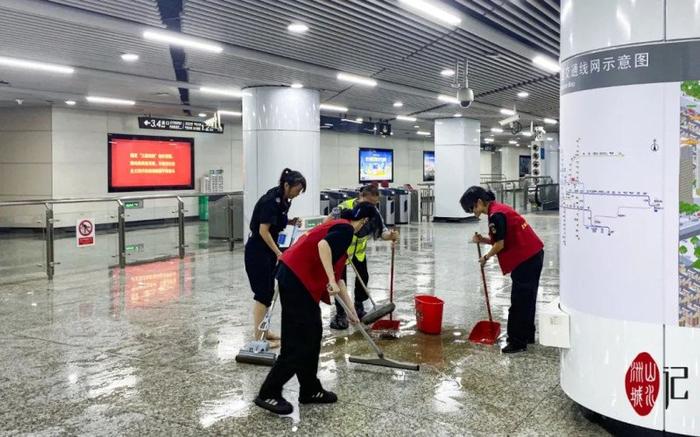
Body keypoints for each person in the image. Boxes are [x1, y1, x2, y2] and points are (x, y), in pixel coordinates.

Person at [255, 202, 379, 415]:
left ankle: (310, 389)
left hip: (294, 279)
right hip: (296, 280)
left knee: (312, 335)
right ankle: (269, 392)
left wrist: (352, 312)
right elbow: (323, 247)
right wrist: (329, 278)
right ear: (366, 221)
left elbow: (339, 280)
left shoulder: (338, 229)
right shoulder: (346, 229)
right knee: (300, 340)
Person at [460, 186, 544, 354]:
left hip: (526, 259)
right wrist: (483, 239)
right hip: (532, 255)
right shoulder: (498, 209)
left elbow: (500, 244)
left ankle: (517, 342)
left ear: (479, 202)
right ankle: (527, 336)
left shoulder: (496, 215)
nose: (473, 212)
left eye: (472, 208)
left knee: (519, 302)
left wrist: (485, 258)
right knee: (527, 299)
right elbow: (501, 238)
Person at [244, 168, 306, 346]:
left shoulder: (284, 200)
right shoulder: (270, 200)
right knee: (262, 293)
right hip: (257, 250)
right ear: (287, 185)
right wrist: (278, 252)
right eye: (297, 189)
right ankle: (259, 337)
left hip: (268, 250)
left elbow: (274, 222)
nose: (298, 193)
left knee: (269, 292)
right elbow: (263, 231)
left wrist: (290, 221)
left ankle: (265, 330)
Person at [324, 185, 398, 329]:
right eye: (369, 201)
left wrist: (390, 236)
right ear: (361, 196)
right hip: (341, 252)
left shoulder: (373, 212)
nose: (371, 206)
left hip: (358, 253)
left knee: (363, 277)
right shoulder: (344, 207)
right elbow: (326, 224)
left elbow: (382, 231)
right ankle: (340, 314)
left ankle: (358, 307)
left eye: (374, 203)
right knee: (340, 282)